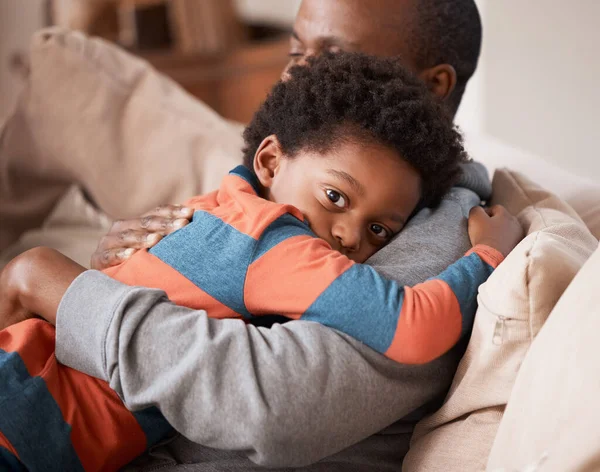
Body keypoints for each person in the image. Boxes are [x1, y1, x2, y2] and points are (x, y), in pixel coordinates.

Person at [1, 1, 494, 470]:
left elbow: (279, 409)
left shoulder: (443, 232)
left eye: (336, 54)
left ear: (433, 85)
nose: (298, 76)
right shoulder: (278, 199)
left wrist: (72, 294)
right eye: (296, 52)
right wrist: (116, 273)